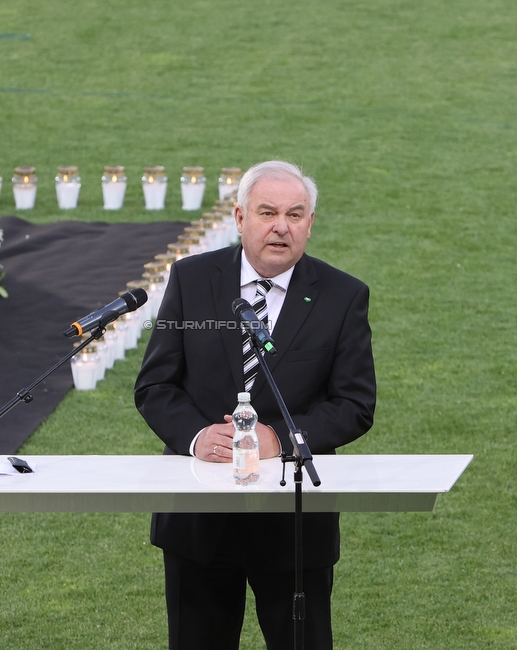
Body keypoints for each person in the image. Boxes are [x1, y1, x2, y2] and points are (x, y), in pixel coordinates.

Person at [134, 160, 376, 650]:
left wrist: (280, 439)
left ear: (310, 223)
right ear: (241, 219)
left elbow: (354, 404)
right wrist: (199, 437)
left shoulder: (342, 296)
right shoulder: (191, 279)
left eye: (295, 214)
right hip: (197, 524)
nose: (281, 226)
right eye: (267, 213)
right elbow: (155, 386)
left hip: (293, 528)